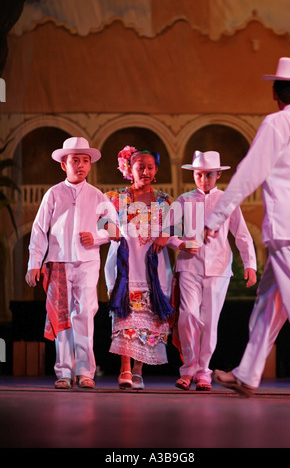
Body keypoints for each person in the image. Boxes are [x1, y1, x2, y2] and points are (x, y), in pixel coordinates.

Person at [204, 57, 290, 399]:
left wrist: (216, 218)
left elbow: (249, 173)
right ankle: (248, 373)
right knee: (268, 302)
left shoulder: (278, 124)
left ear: (276, 93)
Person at [25, 137, 115, 390]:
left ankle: (86, 372)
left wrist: (96, 236)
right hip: (58, 263)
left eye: (85, 160)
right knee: (62, 318)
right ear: (64, 164)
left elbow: (114, 228)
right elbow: (39, 230)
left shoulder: (98, 196)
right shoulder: (53, 193)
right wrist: (35, 262)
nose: (81, 165)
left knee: (85, 314)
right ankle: (64, 372)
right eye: (75, 160)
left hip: (87, 262)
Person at [165, 150, 257, 391]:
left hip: (219, 267)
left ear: (217, 175)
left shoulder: (227, 201)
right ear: (193, 175)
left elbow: (242, 235)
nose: (203, 180)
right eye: (198, 175)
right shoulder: (184, 200)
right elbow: (166, 231)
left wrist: (250, 265)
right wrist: (181, 244)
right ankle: (188, 369)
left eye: (208, 175)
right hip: (189, 265)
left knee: (209, 322)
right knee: (187, 317)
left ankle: (203, 372)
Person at [104, 145, 174, 390]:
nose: (145, 171)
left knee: (147, 317)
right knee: (125, 313)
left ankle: (137, 370)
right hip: (126, 263)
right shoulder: (115, 198)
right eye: (140, 167)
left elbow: (176, 227)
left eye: (150, 167)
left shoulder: (164, 200)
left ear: (156, 171)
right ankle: (124, 368)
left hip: (152, 267)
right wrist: (109, 229)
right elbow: (102, 220)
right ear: (129, 169)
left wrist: (166, 234)